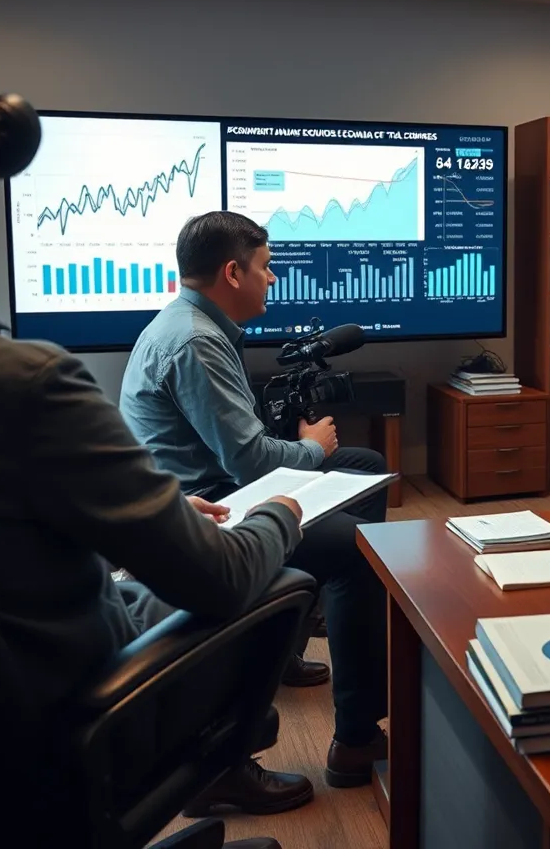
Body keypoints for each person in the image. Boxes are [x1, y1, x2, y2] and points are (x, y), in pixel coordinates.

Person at [0, 306, 309, 838]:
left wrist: (147, 525)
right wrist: (279, 515)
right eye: (266, 268)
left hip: (18, 698)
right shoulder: (25, 382)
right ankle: (230, 767)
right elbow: (222, 577)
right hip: (73, 726)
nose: (273, 279)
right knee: (275, 586)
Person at [119, 211, 388, 787]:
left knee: (366, 466)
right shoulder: (195, 341)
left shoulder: (193, 323)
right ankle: (356, 739)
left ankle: (284, 639)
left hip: (218, 485)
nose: (272, 278)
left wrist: (309, 451)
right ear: (232, 272)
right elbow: (251, 463)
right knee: (361, 552)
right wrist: (312, 448)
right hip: (211, 506)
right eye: (265, 267)